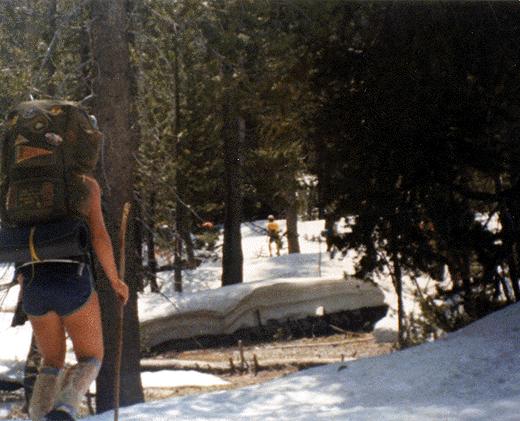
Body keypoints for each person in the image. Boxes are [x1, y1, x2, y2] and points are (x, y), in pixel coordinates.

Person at [17, 175, 129, 421]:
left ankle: (39, 417)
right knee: (91, 358)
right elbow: (99, 236)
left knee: (52, 361)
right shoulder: (85, 184)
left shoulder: (21, 182)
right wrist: (114, 280)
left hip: (33, 279)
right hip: (71, 278)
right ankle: (64, 410)